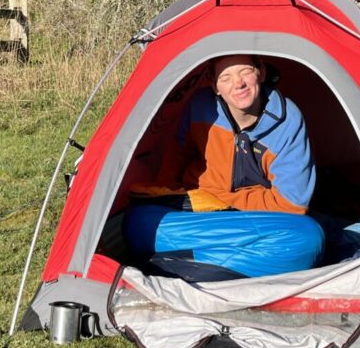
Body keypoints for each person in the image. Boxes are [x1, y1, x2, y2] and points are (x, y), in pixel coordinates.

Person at [124, 54, 323, 281]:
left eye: (245, 72)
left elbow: (292, 205)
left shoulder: (288, 121)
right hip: (194, 215)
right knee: (137, 223)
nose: (238, 84)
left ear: (261, 73)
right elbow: (176, 157)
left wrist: (221, 202)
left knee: (307, 239)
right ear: (215, 86)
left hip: (253, 222)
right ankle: (215, 267)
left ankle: (167, 267)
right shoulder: (200, 106)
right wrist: (169, 196)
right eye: (225, 77)